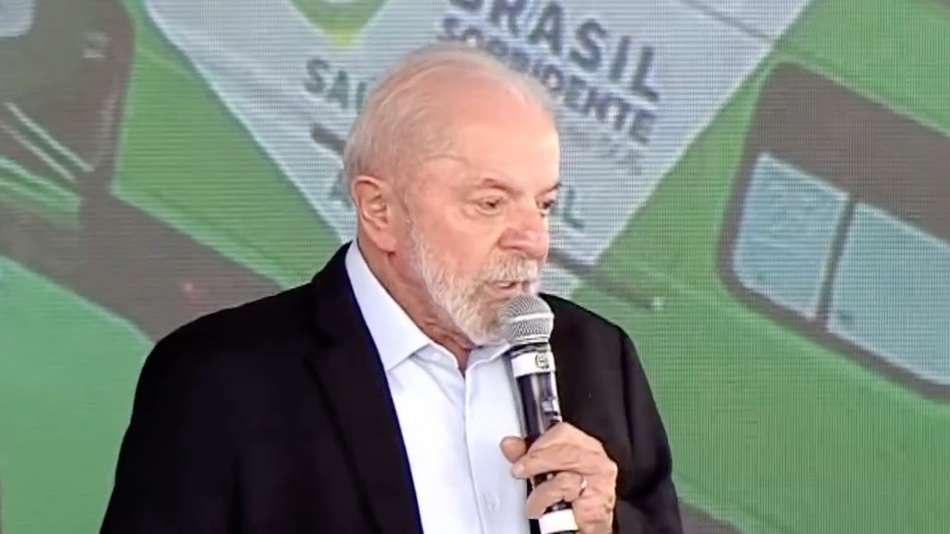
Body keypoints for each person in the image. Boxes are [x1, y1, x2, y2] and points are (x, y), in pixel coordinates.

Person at [100, 43, 682, 534]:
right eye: (490, 203)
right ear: (380, 211)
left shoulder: (599, 357)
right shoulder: (219, 380)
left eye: (545, 205)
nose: (533, 239)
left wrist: (609, 524)